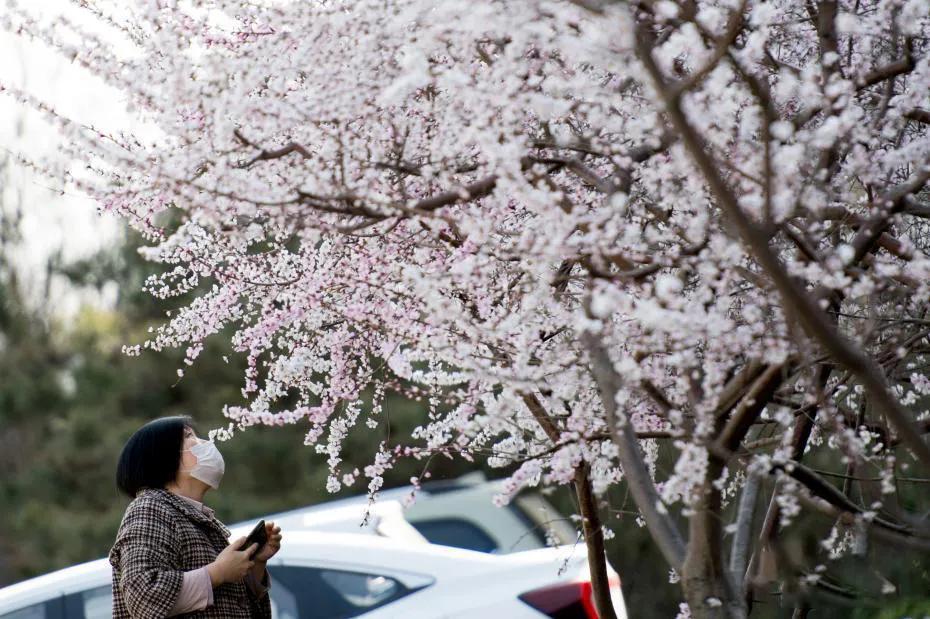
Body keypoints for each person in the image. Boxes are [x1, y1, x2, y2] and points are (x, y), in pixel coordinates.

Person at [109, 416, 282, 618]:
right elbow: (142, 594)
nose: (205, 443)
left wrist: (254, 566)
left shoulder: (195, 517)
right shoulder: (149, 508)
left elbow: (227, 603)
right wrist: (217, 572)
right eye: (189, 436)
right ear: (164, 457)